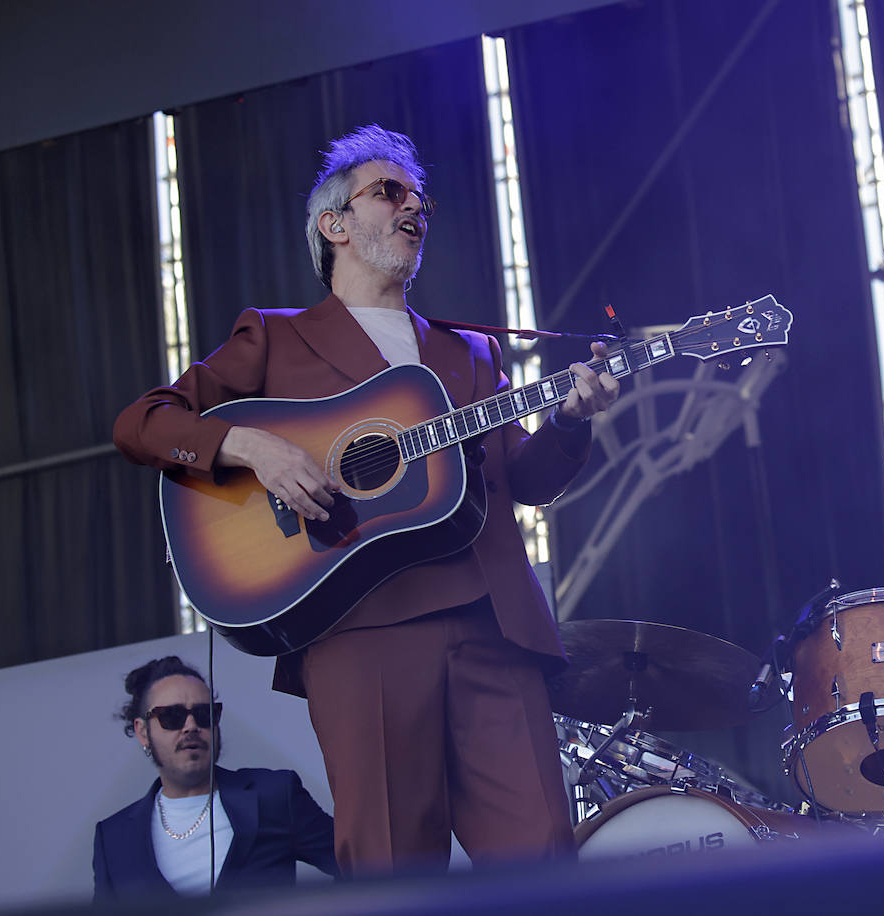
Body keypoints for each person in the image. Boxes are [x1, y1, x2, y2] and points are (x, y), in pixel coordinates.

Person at [113, 125, 619, 875]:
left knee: (543, 861)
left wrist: (571, 421)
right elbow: (143, 423)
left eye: (421, 198)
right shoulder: (276, 339)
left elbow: (526, 480)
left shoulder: (470, 351)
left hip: (492, 624)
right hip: (360, 629)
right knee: (390, 869)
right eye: (391, 191)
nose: (415, 205)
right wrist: (251, 447)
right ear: (335, 224)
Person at [92, 656, 337, 898]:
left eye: (204, 714)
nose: (191, 726)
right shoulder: (113, 838)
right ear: (143, 732)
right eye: (172, 716)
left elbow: (353, 862)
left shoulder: (275, 795)